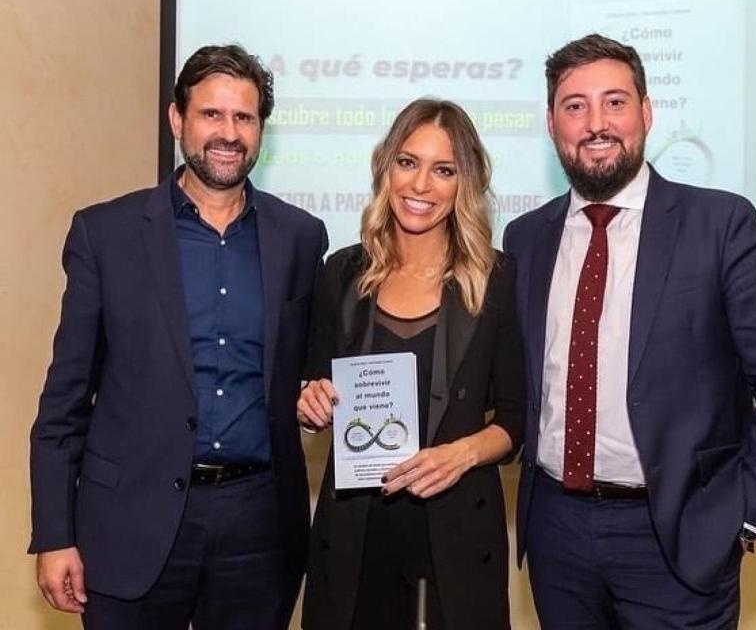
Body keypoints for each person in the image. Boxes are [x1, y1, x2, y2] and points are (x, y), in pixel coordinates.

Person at [504, 33, 756, 629]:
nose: (596, 123)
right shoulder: (526, 238)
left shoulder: (720, 224)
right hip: (556, 532)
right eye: (575, 106)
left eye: (615, 102)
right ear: (551, 124)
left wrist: (746, 513)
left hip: (678, 533)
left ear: (647, 113)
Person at [29, 44, 327, 629]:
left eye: (244, 117)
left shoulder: (300, 236)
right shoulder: (105, 234)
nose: (229, 133)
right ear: (176, 120)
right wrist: (55, 534)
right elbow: (63, 402)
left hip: (258, 528)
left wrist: (312, 395)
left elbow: (305, 367)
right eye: (211, 115)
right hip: (128, 523)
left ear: (261, 129)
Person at [296, 98, 524, 630]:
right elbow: (313, 385)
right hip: (355, 536)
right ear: (386, 166)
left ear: (463, 184)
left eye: (443, 170)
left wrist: (461, 454)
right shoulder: (342, 274)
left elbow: (516, 418)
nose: (420, 185)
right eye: (408, 162)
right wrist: (309, 402)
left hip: (458, 537)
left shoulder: (496, 280)